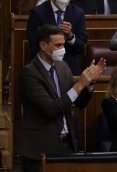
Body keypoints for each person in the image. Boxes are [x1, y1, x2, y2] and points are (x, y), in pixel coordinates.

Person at [17, 25, 104, 171]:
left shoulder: (63, 67)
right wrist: (80, 84)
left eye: (63, 45)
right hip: (39, 148)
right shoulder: (29, 73)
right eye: (58, 45)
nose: (62, 49)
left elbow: (79, 102)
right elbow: (50, 109)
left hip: (66, 145)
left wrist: (89, 84)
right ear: (43, 45)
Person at [26, 0, 87, 74]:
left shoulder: (78, 13)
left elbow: (81, 47)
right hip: (43, 67)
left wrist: (70, 37)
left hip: (69, 68)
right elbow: (33, 43)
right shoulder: (37, 13)